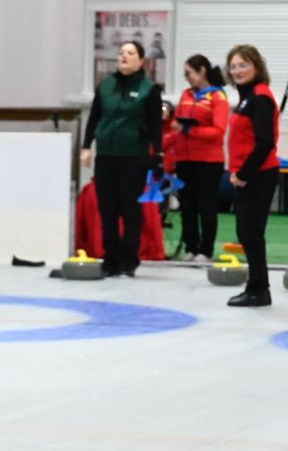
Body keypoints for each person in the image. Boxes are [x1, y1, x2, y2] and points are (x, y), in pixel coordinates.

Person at [80, 40, 162, 277]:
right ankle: (110, 258)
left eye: (130, 53)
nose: (124, 56)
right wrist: (87, 147)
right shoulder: (105, 85)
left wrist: (158, 153)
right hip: (106, 155)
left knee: (130, 210)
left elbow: (155, 125)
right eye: (121, 53)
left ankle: (129, 259)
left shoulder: (149, 89)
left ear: (141, 60)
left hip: (133, 156)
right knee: (108, 209)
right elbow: (94, 118)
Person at [225, 44, 280, 306]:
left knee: (251, 232)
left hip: (258, 175)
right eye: (233, 66)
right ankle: (257, 287)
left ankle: (258, 290)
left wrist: (244, 174)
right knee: (246, 231)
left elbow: (265, 142)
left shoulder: (259, 97)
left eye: (243, 64)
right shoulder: (248, 97)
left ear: (256, 66)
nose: (237, 70)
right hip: (247, 175)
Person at [173, 55, 229, 262]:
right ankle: (191, 247)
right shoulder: (185, 95)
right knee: (186, 205)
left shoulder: (218, 97)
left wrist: (189, 130)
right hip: (184, 158)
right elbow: (177, 122)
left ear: (202, 71)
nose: (186, 77)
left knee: (206, 205)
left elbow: (218, 131)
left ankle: (206, 251)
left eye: (189, 72)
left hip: (208, 161)